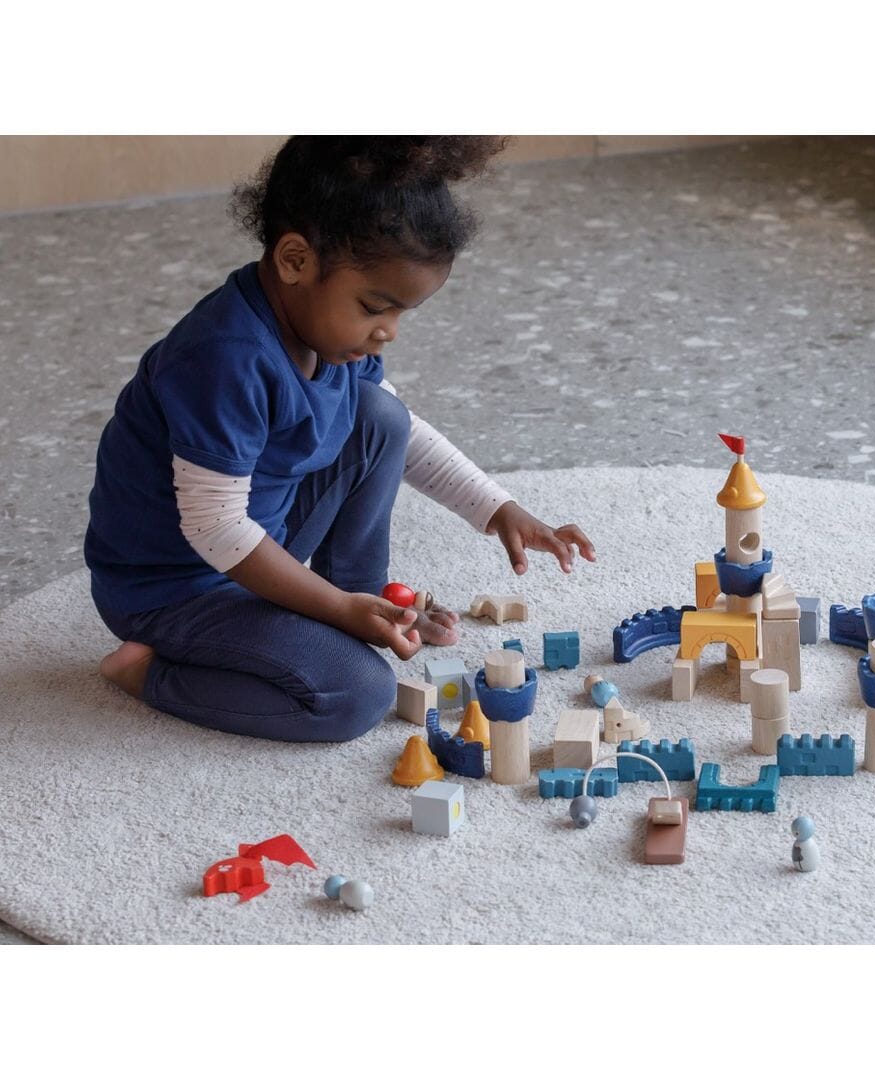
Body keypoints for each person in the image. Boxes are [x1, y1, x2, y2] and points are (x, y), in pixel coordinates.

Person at [84, 136, 596, 743]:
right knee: (357, 696)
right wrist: (332, 608)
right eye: (375, 306)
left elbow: (399, 434)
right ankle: (149, 673)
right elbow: (214, 528)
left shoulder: (329, 338)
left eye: (403, 313)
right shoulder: (223, 358)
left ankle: (369, 603)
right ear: (295, 260)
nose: (390, 332)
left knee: (379, 417)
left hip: (256, 539)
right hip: (173, 589)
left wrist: (496, 507)